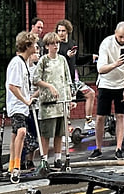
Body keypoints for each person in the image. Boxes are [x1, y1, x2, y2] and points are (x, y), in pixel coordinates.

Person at [91, 22, 124, 160]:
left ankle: (118, 148)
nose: (123, 40)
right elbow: (101, 69)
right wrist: (116, 64)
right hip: (106, 83)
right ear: (115, 33)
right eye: (120, 37)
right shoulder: (107, 43)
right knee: (100, 117)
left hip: (122, 83)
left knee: (120, 115)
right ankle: (98, 148)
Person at [5, 31, 38, 182]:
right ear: (28, 46)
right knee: (22, 132)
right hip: (17, 106)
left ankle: (12, 165)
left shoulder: (23, 63)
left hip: (21, 106)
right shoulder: (17, 63)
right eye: (34, 44)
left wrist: (30, 98)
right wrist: (25, 100)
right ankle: (17, 167)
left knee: (14, 135)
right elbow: (12, 86)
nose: (36, 47)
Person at [37, 31, 73, 168]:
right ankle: (44, 160)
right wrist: (49, 86)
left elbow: (67, 80)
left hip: (61, 103)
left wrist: (70, 99)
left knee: (60, 133)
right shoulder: (43, 61)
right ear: (47, 46)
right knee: (46, 133)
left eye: (57, 43)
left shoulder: (62, 60)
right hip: (48, 104)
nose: (55, 46)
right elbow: (36, 79)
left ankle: (58, 158)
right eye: (52, 44)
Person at [55, 20, 96, 130]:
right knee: (68, 104)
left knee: (90, 94)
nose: (61, 33)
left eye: (63, 31)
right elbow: (56, 62)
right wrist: (67, 56)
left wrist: (90, 57)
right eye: (59, 31)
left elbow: (77, 60)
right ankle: (66, 129)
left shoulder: (72, 43)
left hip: (74, 80)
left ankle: (88, 121)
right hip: (63, 81)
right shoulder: (56, 45)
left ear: (68, 31)